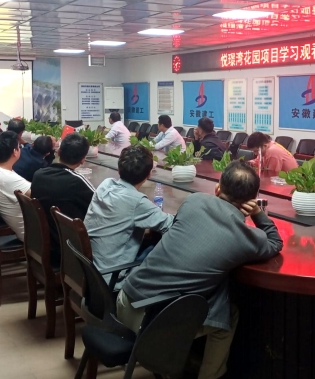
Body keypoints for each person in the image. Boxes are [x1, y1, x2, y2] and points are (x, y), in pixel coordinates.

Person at [117, 161, 283, 379]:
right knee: (227, 317)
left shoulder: (193, 201)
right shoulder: (246, 238)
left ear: (217, 189)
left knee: (217, 295)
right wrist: (258, 213)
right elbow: (275, 242)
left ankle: (182, 360)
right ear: (251, 200)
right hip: (152, 325)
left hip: (125, 301)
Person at [85, 144, 174, 289]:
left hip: (89, 270)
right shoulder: (137, 202)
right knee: (162, 250)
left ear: (119, 169)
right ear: (149, 175)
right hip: (110, 279)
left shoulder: (105, 185)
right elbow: (171, 225)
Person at [31, 133, 95, 267]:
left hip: (45, 243)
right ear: (83, 159)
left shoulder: (38, 174)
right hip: (70, 249)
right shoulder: (77, 182)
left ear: (59, 152)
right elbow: (99, 204)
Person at [0, 131, 30, 240]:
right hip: (31, 234)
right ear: (15, 152)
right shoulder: (6, 178)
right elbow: (40, 194)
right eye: (19, 147)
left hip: (25, 227)